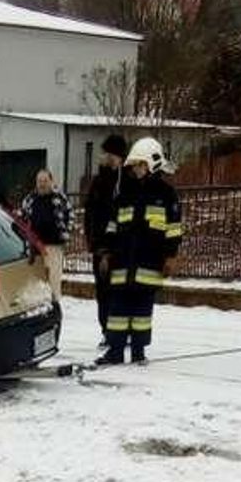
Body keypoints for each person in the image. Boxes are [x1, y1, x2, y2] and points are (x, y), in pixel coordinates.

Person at [94, 137, 182, 367]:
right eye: (134, 166)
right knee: (117, 310)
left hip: (149, 263)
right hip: (122, 263)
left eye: (140, 165)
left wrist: (171, 256)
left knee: (142, 310)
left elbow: (173, 229)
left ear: (152, 164)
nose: (136, 170)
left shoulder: (166, 195)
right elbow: (113, 226)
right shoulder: (125, 194)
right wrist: (105, 253)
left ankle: (138, 352)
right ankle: (114, 351)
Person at [84, 134, 128, 344]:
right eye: (106, 153)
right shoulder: (98, 181)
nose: (107, 158)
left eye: (112, 154)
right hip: (99, 246)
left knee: (119, 291)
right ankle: (106, 331)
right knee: (102, 293)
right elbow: (89, 212)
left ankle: (120, 333)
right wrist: (92, 242)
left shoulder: (125, 182)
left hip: (119, 248)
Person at [19, 169, 72, 300]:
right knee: (37, 282)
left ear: (51, 181)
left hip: (54, 246)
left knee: (54, 282)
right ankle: (39, 308)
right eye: (39, 181)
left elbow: (70, 216)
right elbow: (22, 221)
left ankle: (54, 306)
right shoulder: (29, 200)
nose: (42, 184)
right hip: (35, 248)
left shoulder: (60, 198)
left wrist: (66, 234)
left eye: (45, 181)